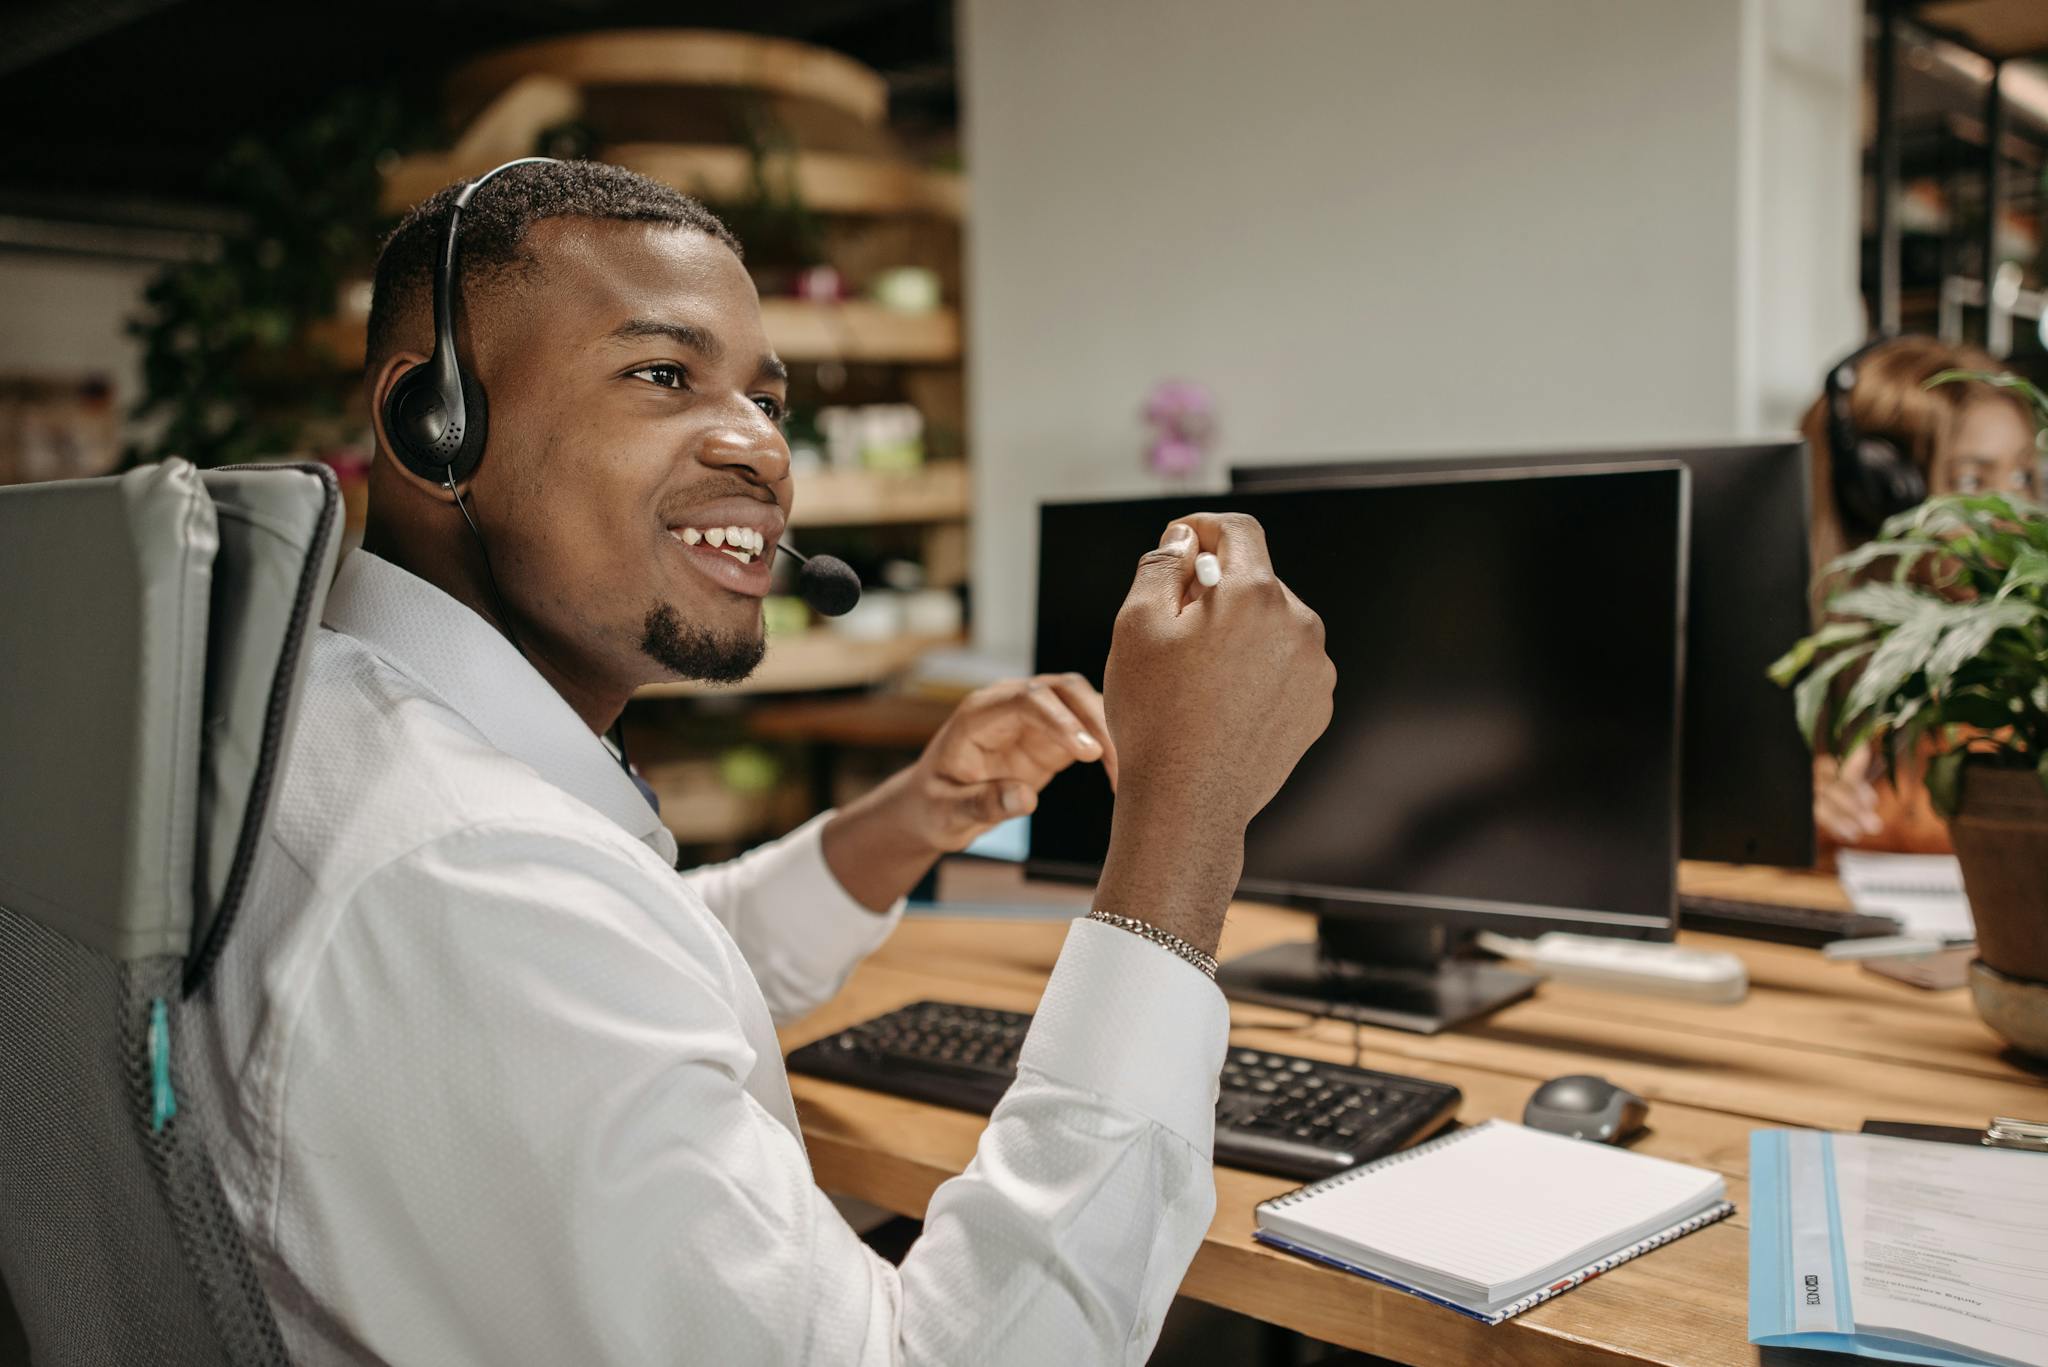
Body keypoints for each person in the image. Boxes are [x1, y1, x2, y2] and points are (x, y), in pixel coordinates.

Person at [186, 159, 1335, 1365]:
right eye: (660, 374)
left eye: (768, 402)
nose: (759, 450)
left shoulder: (352, 728)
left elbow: (636, 951)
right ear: (433, 423)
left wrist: (910, 815)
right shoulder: (467, 872)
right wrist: (1185, 815)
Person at [1798, 335, 2037, 851]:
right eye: (1973, 481)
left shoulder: (2024, 678)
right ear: (1881, 502)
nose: (2015, 512)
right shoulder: (1793, 683)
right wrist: (1791, 813)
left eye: (2022, 475)